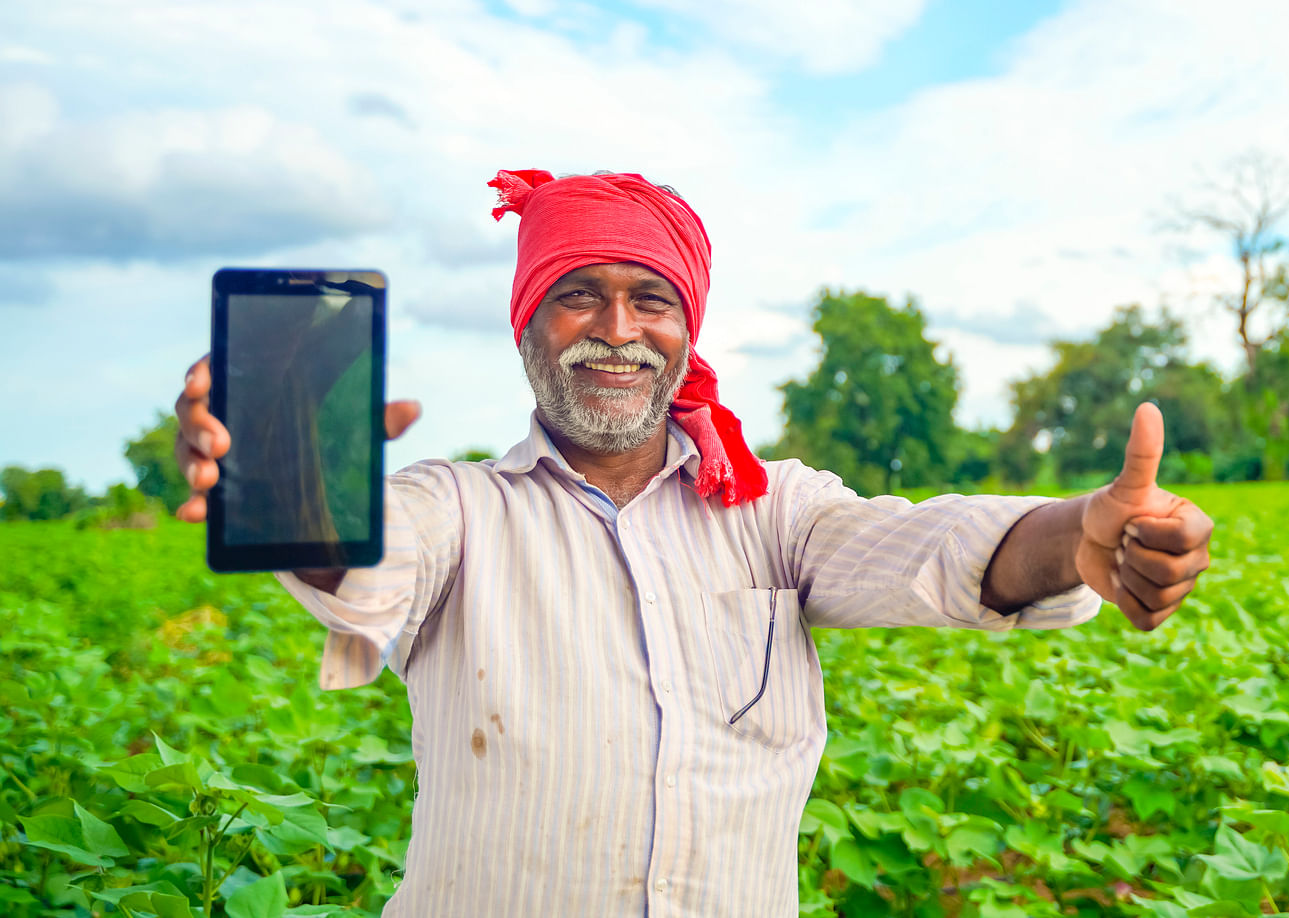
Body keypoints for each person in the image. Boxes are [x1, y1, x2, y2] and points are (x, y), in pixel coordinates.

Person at [171, 169, 1214, 918]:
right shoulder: (460, 512)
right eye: (578, 293)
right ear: (528, 324)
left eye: (650, 298)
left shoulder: (776, 512)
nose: (616, 327)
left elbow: (937, 551)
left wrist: (1078, 533)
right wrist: (284, 475)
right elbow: (356, 560)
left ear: (687, 329)